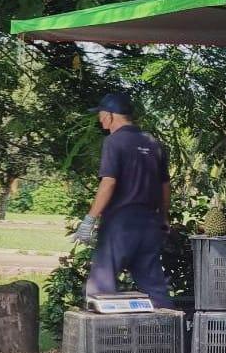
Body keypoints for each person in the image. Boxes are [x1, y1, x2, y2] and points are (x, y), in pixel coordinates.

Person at [70, 92, 173, 309]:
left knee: (100, 288)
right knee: (154, 288)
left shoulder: (114, 142)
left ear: (109, 115)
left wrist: (89, 219)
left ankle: (104, 341)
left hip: (121, 225)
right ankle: (170, 338)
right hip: (150, 225)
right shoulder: (154, 143)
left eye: (100, 115)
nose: (99, 119)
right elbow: (165, 186)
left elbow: (108, 183)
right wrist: (163, 218)